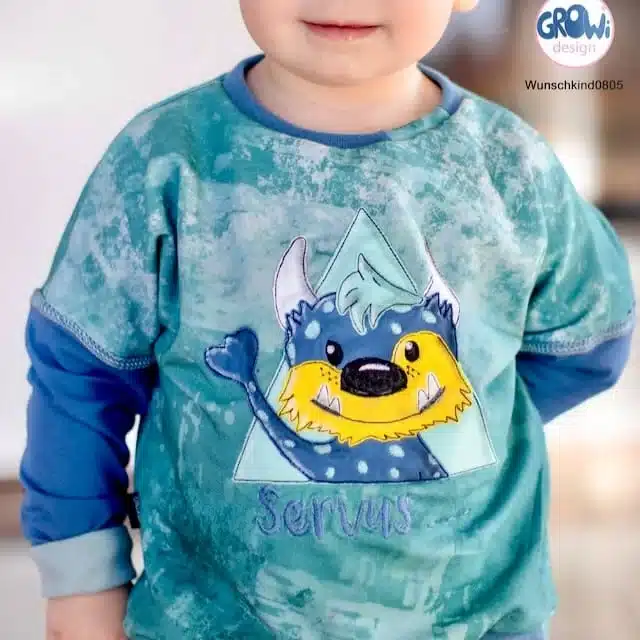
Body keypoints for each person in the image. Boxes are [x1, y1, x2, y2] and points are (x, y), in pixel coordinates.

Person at [21, 1, 635, 639]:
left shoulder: (513, 169)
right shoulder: (164, 162)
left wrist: (457, 416)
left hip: (472, 621)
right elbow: (79, 377)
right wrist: (82, 583)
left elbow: (588, 341)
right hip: (212, 622)